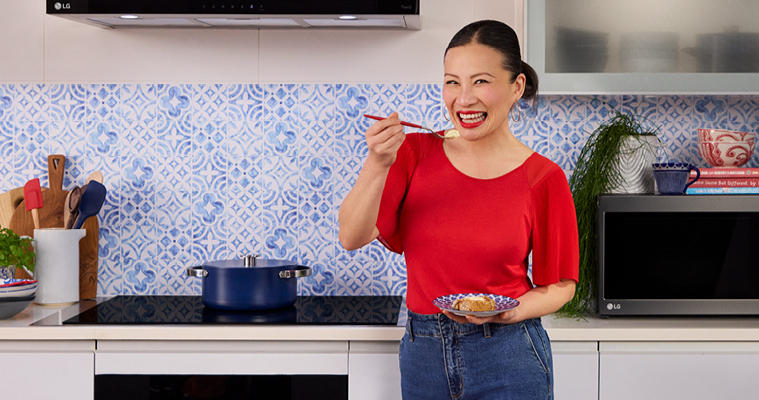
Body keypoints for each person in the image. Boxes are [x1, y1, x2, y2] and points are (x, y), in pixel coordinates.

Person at [338, 19, 579, 400]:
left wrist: (509, 312)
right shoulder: (413, 154)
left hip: (509, 354)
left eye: (480, 81)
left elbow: (560, 286)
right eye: (453, 81)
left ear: (516, 87)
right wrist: (376, 163)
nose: (463, 99)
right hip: (424, 353)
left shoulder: (543, 178)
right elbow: (351, 236)